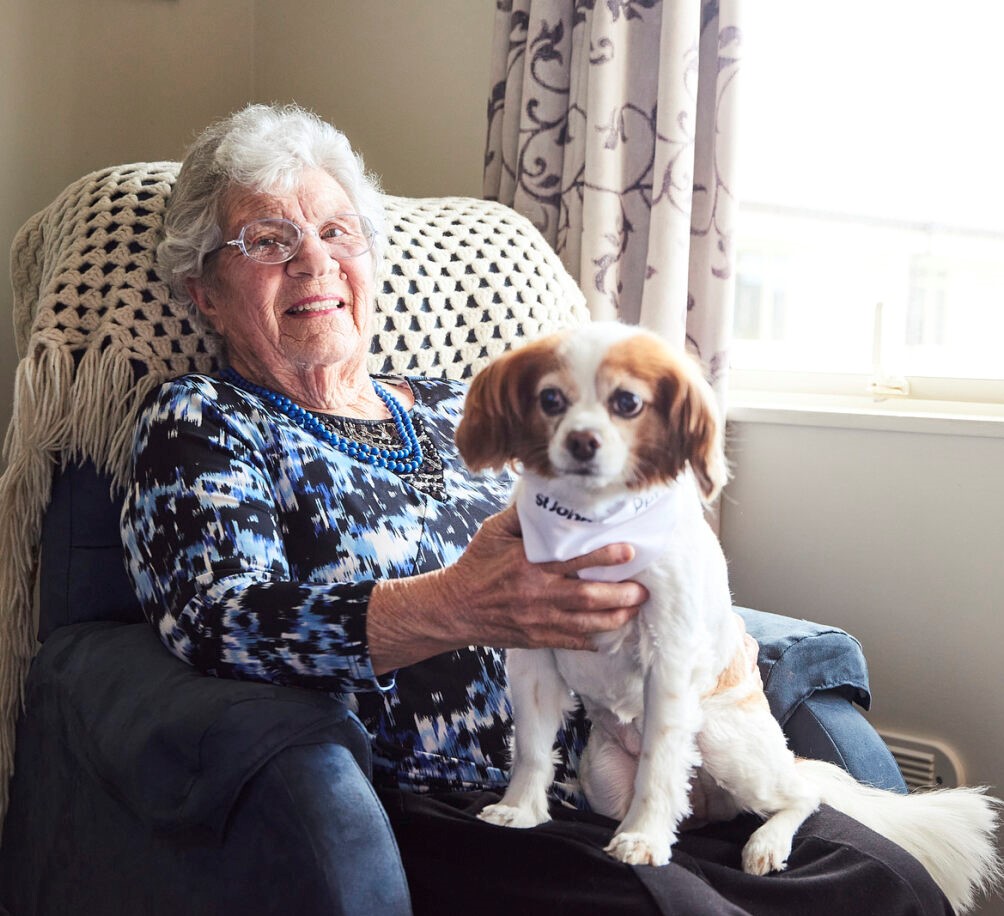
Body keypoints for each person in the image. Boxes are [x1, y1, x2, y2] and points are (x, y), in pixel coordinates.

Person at [120, 103, 949, 915]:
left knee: (878, 875)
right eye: (269, 241)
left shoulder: (476, 408)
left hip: (612, 761)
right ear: (206, 293)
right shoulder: (201, 420)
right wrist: (451, 604)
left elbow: (646, 533)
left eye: (339, 232)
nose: (314, 263)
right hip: (451, 806)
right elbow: (218, 618)